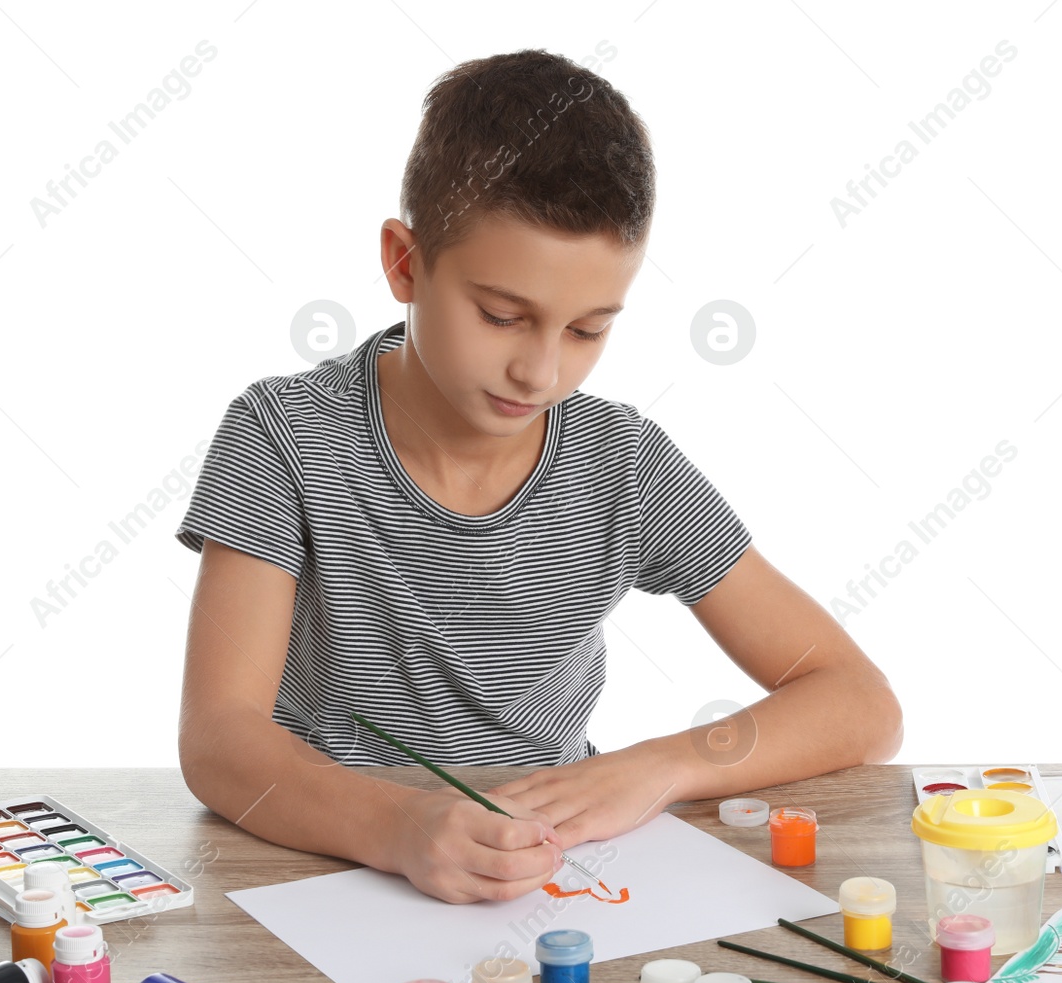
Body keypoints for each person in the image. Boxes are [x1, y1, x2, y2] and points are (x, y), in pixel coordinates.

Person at [174, 48, 901, 904]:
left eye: (589, 329)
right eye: (502, 316)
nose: (541, 372)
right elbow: (219, 741)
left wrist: (658, 767)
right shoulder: (284, 437)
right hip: (320, 867)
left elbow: (860, 702)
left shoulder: (621, 465)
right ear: (405, 263)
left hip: (547, 881)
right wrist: (397, 825)